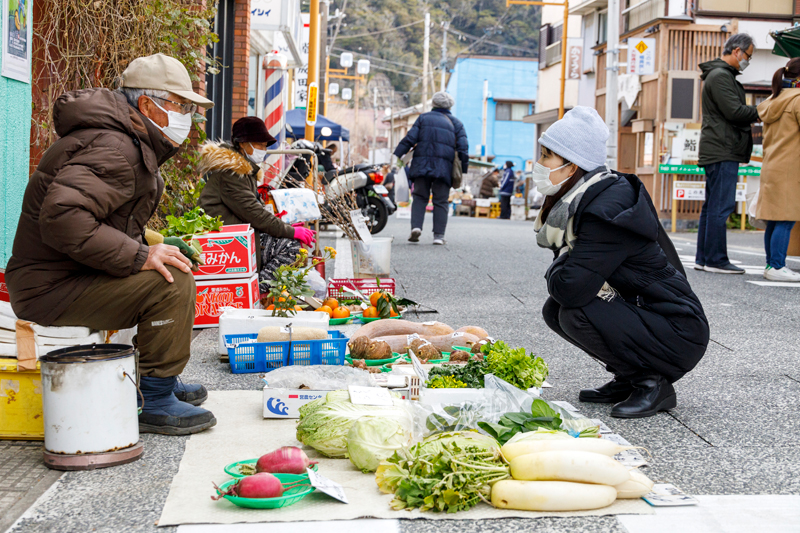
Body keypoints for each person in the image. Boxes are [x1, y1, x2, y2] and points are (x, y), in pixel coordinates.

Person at [6, 54, 218, 435]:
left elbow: (101, 219)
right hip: (50, 288)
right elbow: (64, 218)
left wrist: (154, 241)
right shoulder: (117, 147)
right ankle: (153, 396)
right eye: (182, 105)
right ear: (149, 104)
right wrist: (141, 254)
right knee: (170, 281)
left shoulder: (121, 139)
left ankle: (158, 381)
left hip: (64, 275)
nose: (188, 114)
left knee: (168, 262)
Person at [535, 107, 709, 418]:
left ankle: (652, 384)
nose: (539, 165)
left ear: (571, 165)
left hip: (678, 331)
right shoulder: (591, 196)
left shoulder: (605, 212)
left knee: (573, 310)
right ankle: (628, 377)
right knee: (555, 310)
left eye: (546, 156)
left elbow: (571, 288)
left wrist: (561, 261)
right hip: (653, 316)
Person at [198, 117, 316, 286]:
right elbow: (254, 213)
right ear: (242, 143)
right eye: (259, 144)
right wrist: (290, 231)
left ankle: (263, 290)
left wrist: (285, 227)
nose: (263, 149)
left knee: (291, 245)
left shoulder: (243, 171)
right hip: (225, 241)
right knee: (291, 248)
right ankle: (257, 292)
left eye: (265, 145)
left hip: (240, 234)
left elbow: (256, 211)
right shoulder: (231, 173)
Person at [696, 33, 760, 274]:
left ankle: (704, 258)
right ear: (736, 51)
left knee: (712, 206)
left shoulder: (719, 75)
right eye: (748, 56)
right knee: (720, 206)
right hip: (723, 149)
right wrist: (761, 110)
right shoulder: (721, 76)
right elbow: (734, 112)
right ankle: (715, 259)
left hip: (718, 148)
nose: (747, 61)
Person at [394, 91, 468, 245]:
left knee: (420, 197)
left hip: (422, 165)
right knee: (440, 201)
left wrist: (397, 155)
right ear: (450, 106)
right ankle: (439, 236)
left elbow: (410, 139)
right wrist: (464, 170)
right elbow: (463, 149)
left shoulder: (423, 118)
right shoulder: (457, 124)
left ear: (433, 104)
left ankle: (416, 228)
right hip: (445, 168)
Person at [754, 58, 800, 282]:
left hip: (772, 164)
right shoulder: (797, 101)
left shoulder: (773, 100)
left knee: (774, 218)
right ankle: (777, 265)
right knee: (786, 217)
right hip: (791, 166)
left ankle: (771, 264)